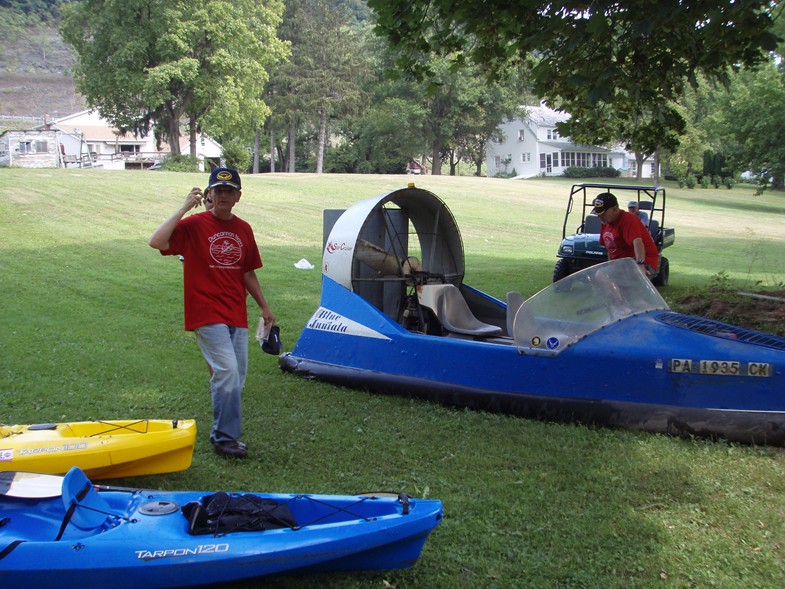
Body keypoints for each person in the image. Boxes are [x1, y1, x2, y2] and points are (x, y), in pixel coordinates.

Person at [149, 167, 275, 458]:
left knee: (235, 376)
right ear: (209, 194)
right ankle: (224, 438)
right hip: (205, 310)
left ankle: (224, 431)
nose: (223, 196)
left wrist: (265, 308)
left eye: (229, 191)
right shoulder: (194, 225)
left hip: (236, 312)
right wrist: (183, 207)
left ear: (238, 197)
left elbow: (248, 272)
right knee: (227, 372)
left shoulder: (243, 229)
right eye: (217, 190)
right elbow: (156, 242)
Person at [592, 192, 658, 276]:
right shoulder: (606, 223)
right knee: (604, 275)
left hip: (642, 260)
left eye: (603, 213)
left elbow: (637, 242)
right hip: (622, 263)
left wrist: (640, 265)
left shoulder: (628, 219)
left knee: (601, 274)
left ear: (615, 209)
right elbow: (610, 248)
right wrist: (610, 265)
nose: (599, 216)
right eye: (598, 213)